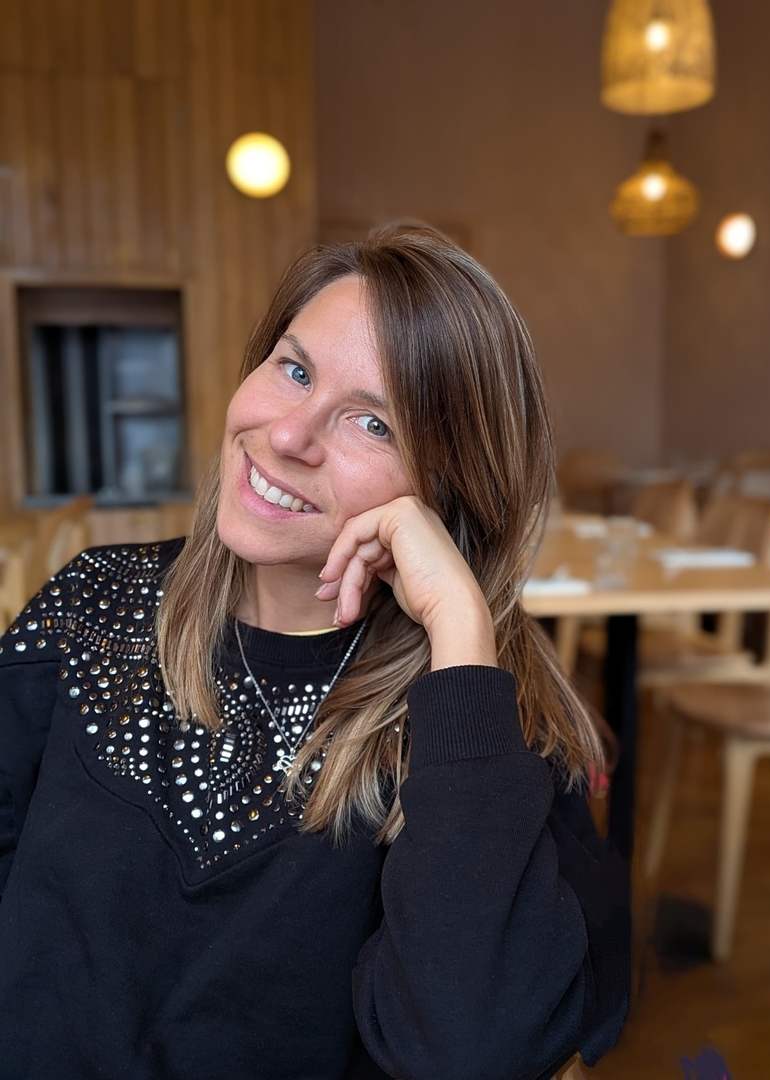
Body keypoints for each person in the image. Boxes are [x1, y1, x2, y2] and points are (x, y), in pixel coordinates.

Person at [0, 226, 629, 1079]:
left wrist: (458, 626)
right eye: (294, 371)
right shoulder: (91, 606)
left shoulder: (490, 730)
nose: (289, 435)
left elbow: (472, 1051)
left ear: (447, 490)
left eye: (373, 423)